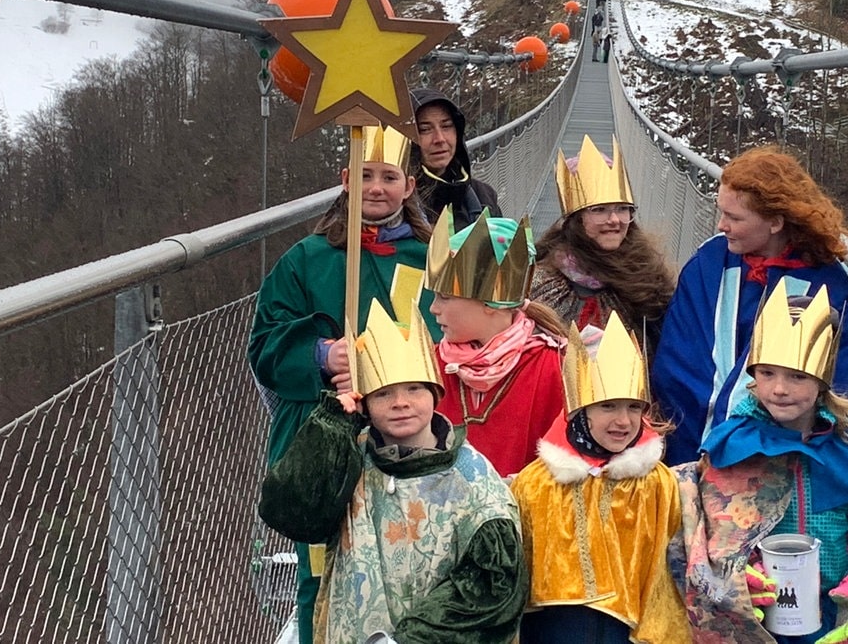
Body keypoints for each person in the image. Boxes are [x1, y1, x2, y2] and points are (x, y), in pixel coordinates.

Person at [248, 125, 439, 642]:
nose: (376, 187)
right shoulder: (306, 259)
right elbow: (264, 344)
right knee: (323, 569)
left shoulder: (432, 261)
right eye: (365, 175)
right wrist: (321, 353)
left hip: (405, 436)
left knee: (411, 561)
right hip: (330, 436)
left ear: (409, 185)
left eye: (388, 177)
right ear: (346, 180)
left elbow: (451, 338)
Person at [259, 300, 526, 644]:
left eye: (414, 388)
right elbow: (292, 514)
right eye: (384, 393)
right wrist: (331, 426)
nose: (400, 402)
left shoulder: (473, 478)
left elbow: (492, 588)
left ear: (434, 394)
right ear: (366, 402)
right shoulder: (350, 462)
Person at [669, 287, 848, 644]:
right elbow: (710, 539)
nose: (779, 389)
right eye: (768, 373)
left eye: (797, 377)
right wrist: (741, 579)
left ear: (822, 381)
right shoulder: (733, 446)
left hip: (833, 618)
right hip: (758, 620)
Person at [651, 145, 848, 466]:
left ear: (775, 222)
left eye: (734, 217)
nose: (721, 225)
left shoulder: (832, 284)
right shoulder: (708, 265)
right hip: (690, 442)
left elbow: (842, 386)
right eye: (720, 211)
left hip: (782, 452)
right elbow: (678, 362)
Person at [510, 312, 690, 643]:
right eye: (608, 406)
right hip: (552, 632)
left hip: (623, 633)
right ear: (581, 409)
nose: (623, 421)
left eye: (634, 407)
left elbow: (664, 577)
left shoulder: (654, 483)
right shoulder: (535, 484)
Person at [426, 210, 570, 477]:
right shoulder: (429, 364)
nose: (433, 308)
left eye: (445, 296)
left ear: (490, 302)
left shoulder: (552, 367)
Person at [531, 135, 674, 353]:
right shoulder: (541, 283)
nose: (615, 220)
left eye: (622, 208)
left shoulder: (648, 278)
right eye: (599, 210)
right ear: (576, 219)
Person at [409, 87, 501, 225]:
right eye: (425, 130)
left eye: (446, 126)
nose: (439, 139)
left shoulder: (484, 197)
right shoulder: (393, 204)